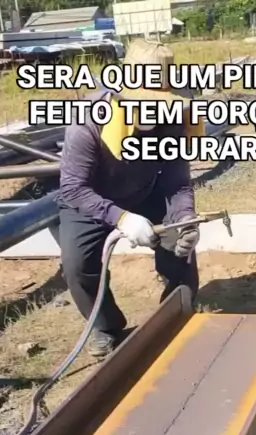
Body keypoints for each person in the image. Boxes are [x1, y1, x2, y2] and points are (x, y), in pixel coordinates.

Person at [56, 38, 202, 358]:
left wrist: (186, 218)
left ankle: (176, 311)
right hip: (88, 200)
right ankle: (106, 326)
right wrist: (121, 218)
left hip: (144, 191)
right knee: (77, 266)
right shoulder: (88, 121)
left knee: (180, 245)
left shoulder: (172, 118)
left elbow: (177, 181)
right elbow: (73, 188)